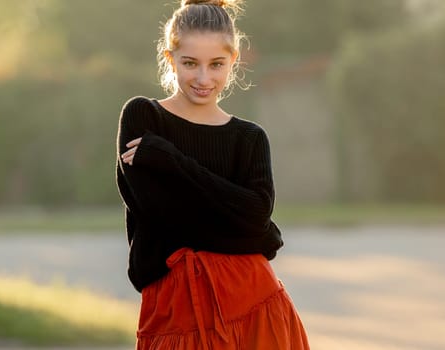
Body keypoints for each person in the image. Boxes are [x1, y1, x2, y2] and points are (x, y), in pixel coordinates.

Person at [115, 0, 310, 348]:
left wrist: (172, 160)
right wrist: (251, 234)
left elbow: (253, 215)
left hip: (256, 307)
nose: (204, 79)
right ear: (169, 57)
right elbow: (162, 217)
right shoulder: (143, 118)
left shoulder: (249, 138)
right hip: (174, 314)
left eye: (216, 64)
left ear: (233, 61)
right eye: (190, 63)